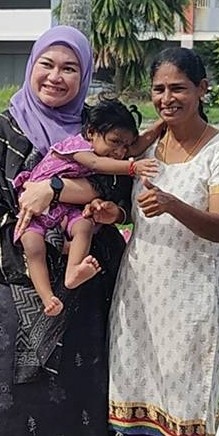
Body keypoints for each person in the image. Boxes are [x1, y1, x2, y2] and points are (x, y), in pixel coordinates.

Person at [0, 26, 158, 436]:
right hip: (17, 289)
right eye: (47, 64)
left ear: (85, 75)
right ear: (31, 67)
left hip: (83, 286)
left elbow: (116, 195)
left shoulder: (96, 131)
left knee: (70, 399)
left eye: (69, 67)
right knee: (13, 402)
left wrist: (53, 189)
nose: (56, 76)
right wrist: (35, 278)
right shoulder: (3, 131)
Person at [97, 47, 219, 436]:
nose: (167, 98)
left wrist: (173, 205)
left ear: (203, 89)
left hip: (190, 298)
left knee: (186, 413)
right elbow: (113, 167)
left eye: (178, 88)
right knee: (138, 407)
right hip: (139, 292)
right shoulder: (151, 143)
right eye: (159, 89)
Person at [15, 97, 160, 316]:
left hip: (65, 208)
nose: (121, 152)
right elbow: (96, 164)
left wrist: (162, 122)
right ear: (91, 132)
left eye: (126, 146)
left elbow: (138, 144)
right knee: (33, 247)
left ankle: (73, 271)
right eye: (115, 142)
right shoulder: (78, 146)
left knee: (83, 225)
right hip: (35, 209)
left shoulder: (108, 147)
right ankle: (47, 297)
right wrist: (132, 167)